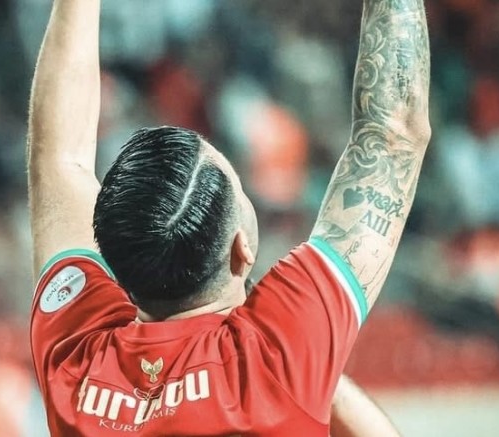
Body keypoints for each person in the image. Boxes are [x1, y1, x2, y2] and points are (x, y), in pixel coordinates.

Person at [27, 0, 431, 434]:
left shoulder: (75, 361)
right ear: (242, 249)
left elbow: (60, 158)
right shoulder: (278, 352)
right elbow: (392, 134)